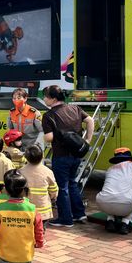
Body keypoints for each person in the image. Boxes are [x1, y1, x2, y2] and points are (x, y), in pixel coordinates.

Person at [41, 85, 94, 228]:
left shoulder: (48, 115)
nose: (44, 99)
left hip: (61, 156)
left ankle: (65, 218)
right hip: (77, 154)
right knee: (72, 183)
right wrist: (87, 140)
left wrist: (46, 136)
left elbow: (49, 137)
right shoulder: (75, 108)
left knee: (62, 187)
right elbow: (90, 120)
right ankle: (79, 214)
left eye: (45, 96)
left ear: (52, 99)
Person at [19, 145, 59, 226]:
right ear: (42, 156)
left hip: (25, 209)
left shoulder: (20, 171)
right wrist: (52, 198)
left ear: (26, 157)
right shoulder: (48, 172)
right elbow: (54, 190)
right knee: (40, 232)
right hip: (43, 211)